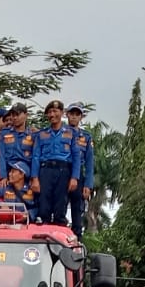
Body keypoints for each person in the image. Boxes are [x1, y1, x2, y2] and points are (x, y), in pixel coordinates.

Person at [30, 100, 81, 226]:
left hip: (63, 171)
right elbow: (36, 156)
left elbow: (76, 156)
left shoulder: (71, 133)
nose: (52, 115)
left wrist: (74, 178)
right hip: (45, 171)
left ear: (62, 113)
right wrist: (34, 178)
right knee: (44, 205)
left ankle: (59, 235)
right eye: (49, 112)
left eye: (55, 111)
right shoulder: (41, 134)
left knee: (60, 205)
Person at [65, 102, 95, 236]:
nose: (74, 117)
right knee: (60, 205)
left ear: (81, 117)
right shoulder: (61, 132)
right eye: (72, 114)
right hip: (63, 172)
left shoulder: (86, 137)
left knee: (77, 208)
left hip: (79, 175)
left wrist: (88, 185)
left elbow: (89, 162)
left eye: (77, 114)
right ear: (67, 114)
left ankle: (77, 235)